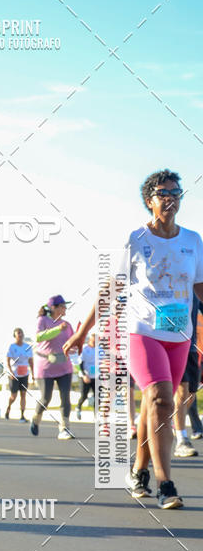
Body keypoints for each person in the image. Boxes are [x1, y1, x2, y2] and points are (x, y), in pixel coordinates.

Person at [65, 169, 203, 508]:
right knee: (159, 398)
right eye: (162, 193)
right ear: (149, 201)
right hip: (142, 332)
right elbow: (112, 288)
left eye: (176, 192)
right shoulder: (137, 239)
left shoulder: (193, 241)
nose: (170, 198)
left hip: (179, 335)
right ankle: (165, 483)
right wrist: (83, 331)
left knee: (159, 406)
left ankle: (138, 470)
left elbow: (200, 286)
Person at [30, 296, 75, 440]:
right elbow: (39, 337)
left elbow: (72, 342)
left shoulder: (67, 325)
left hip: (64, 366)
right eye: (62, 306)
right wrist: (57, 329)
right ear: (53, 308)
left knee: (65, 398)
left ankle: (65, 428)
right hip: (45, 366)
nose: (65, 308)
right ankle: (36, 418)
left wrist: (73, 348)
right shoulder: (42, 320)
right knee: (45, 398)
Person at [172, 295, 203, 457]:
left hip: (191, 344)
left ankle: (170, 418)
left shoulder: (196, 286)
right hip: (170, 339)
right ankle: (182, 439)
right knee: (181, 390)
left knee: (191, 393)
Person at [5, 327, 33, 422]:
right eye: (18, 333)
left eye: (21, 333)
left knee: (23, 394)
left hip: (24, 374)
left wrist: (33, 374)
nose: (20, 335)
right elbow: (7, 361)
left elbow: (31, 361)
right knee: (14, 396)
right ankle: (8, 407)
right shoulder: (12, 347)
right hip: (14, 374)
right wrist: (11, 372)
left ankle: (22, 416)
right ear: (15, 336)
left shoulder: (27, 347)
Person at [76, 331, 97, 420]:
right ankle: (78, 407)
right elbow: (80, 363)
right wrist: (84, 375)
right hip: (85, 376)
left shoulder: (100, 349)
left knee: (98, 396)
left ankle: (96, 415)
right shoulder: (84, 349)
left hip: (95, 376)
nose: (95, 342)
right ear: (90, 340)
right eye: (93, 340)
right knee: (84, 395)